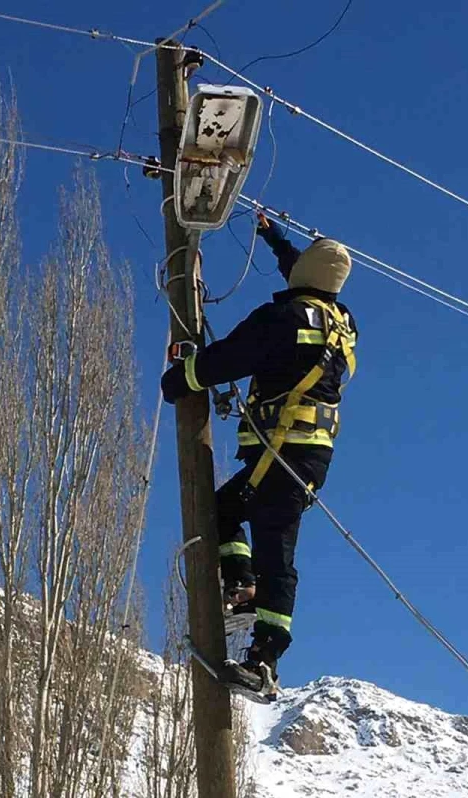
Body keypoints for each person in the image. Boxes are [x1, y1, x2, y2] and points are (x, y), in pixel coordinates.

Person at [161, 212, 357, 699]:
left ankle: (264, 661)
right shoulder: (341, 322)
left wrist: (180, 379)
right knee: (222, 511)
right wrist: (275, 239)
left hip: (283, 457)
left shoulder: (283, 320)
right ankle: (244, 590)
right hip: (303, 457)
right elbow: (307, 275)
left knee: (276, 551)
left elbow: (228, 357)